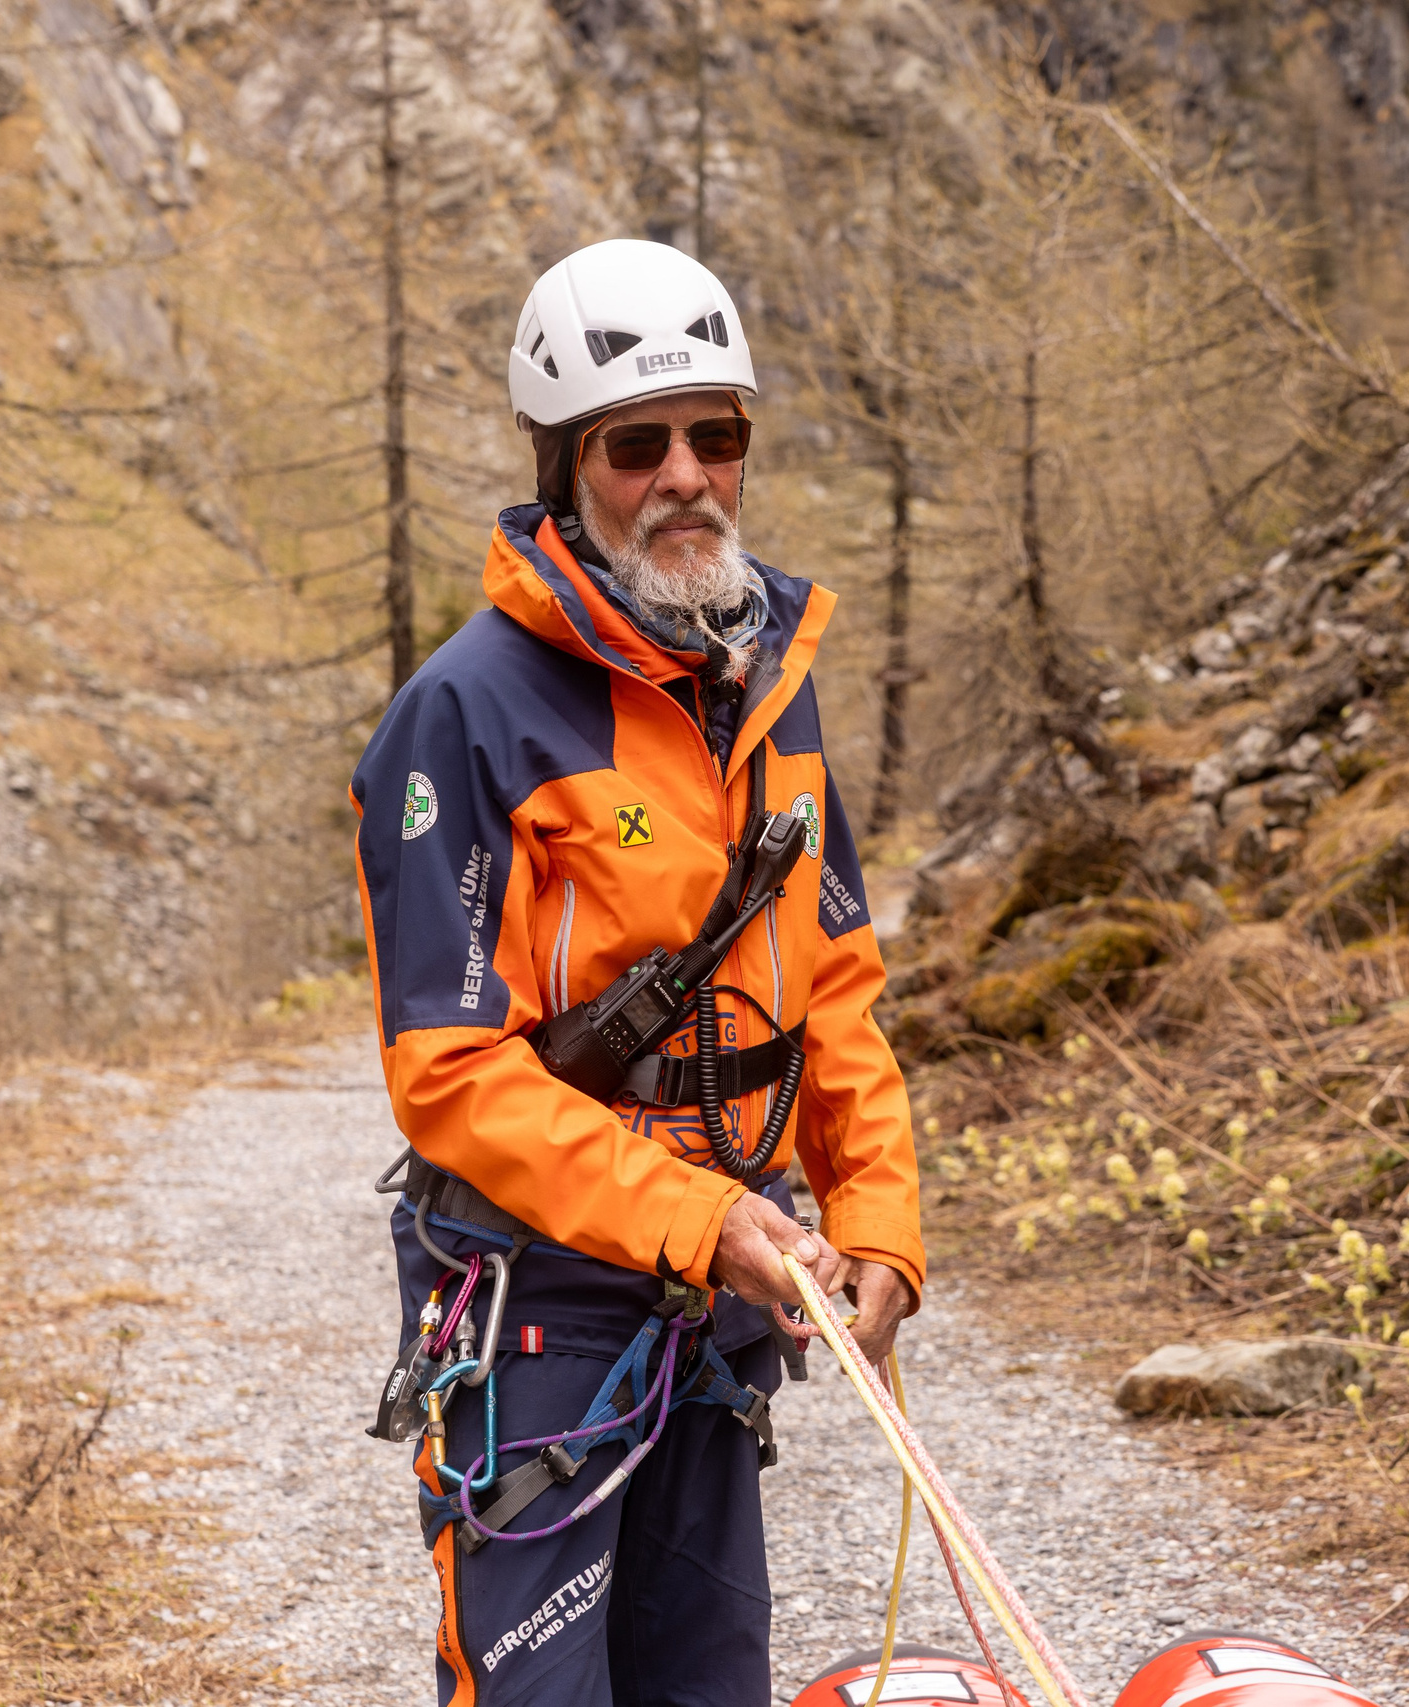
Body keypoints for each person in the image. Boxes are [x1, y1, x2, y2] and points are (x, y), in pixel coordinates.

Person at [350, 238, 922, 1707]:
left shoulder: (763, 684)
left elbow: (835, 990)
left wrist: (877, 1226)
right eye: (636, 444)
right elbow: (451, 1076)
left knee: (710, 1687)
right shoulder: (468, 717)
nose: (685, 474)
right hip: (539, 1310)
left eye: (714, 436)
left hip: (718, 1314)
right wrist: (705, 1220)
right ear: (564, 465)